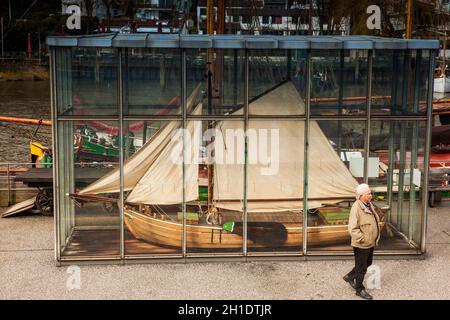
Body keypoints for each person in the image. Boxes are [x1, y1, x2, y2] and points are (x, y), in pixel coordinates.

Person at [343, 183, 381, 300]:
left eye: (370, 193)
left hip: (369, 242)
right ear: (360, 195)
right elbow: (352, 228)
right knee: (362, 267)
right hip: (362, 244)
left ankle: (350, 276)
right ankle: (359, 289)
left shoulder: (367, 204)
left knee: (367, 263)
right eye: (368, 193)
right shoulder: (356, 207)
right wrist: (363, 239)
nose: (371, 195)